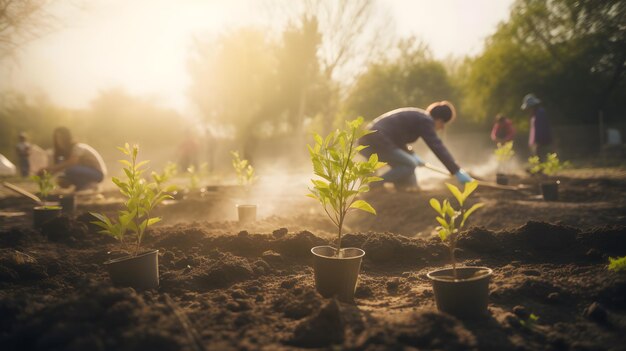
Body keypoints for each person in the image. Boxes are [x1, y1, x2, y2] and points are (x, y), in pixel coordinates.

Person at [358, 101, 473, 191]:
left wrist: (412, 154)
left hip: (378, 140)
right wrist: (455, 170)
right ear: (439, 120)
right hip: (374, 141)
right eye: (443, 124)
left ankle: (399, 188)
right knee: (410, 164)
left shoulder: (420, 118)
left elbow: (398, 139)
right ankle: (375, 185)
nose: (442, 128)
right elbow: (436, 146)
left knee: (411, 184)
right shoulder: (426, 120)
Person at [39, 127, 107, 191]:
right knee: (62, 178)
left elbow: (72, 162)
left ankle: (89, 186)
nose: (59, 140)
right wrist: (46, 175)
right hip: (85, 172)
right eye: (57, 137)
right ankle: (83, 187)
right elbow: (59, 169)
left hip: (97, 173)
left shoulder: (77, 147)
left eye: (61, 137)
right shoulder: (64, 153)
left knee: (69, 170)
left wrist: (50, 168)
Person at [521, 93, 552, 161]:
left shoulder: (540, 113)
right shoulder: (534, 115)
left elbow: (542, 129)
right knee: (537, 156)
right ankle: (538, 169)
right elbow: (533, 131)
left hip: (542, 141)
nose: (528, 110)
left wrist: (538, 141)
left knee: (541, 155)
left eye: (528, 107)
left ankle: (541, 169)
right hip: (538, 141)